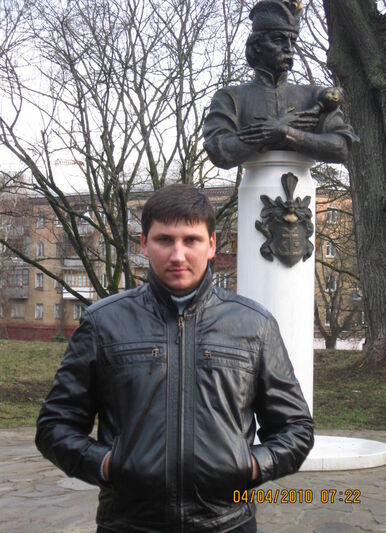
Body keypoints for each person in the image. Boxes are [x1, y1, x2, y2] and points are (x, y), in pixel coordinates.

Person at [36, 184, 314, 533]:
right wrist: (108, 464)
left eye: (191, 240)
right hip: (129, 524)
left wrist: (251, 465)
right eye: (164, 239)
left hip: (227, 523)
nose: (178, 255)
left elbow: (296, 428)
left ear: (211, 245)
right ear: (143, 244)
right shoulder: (103, 323)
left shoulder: (254, 324)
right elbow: (54, 426)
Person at [203, 0, 358, 170]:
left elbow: (341, 147)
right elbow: (219, 151)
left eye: (292, 41)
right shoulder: (231, 97)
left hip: (303, 184)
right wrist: (267, 132)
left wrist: (285, 132)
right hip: (255, 183)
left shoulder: (314, 96)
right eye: (278, 39)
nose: (289, 48)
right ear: (257, 45)